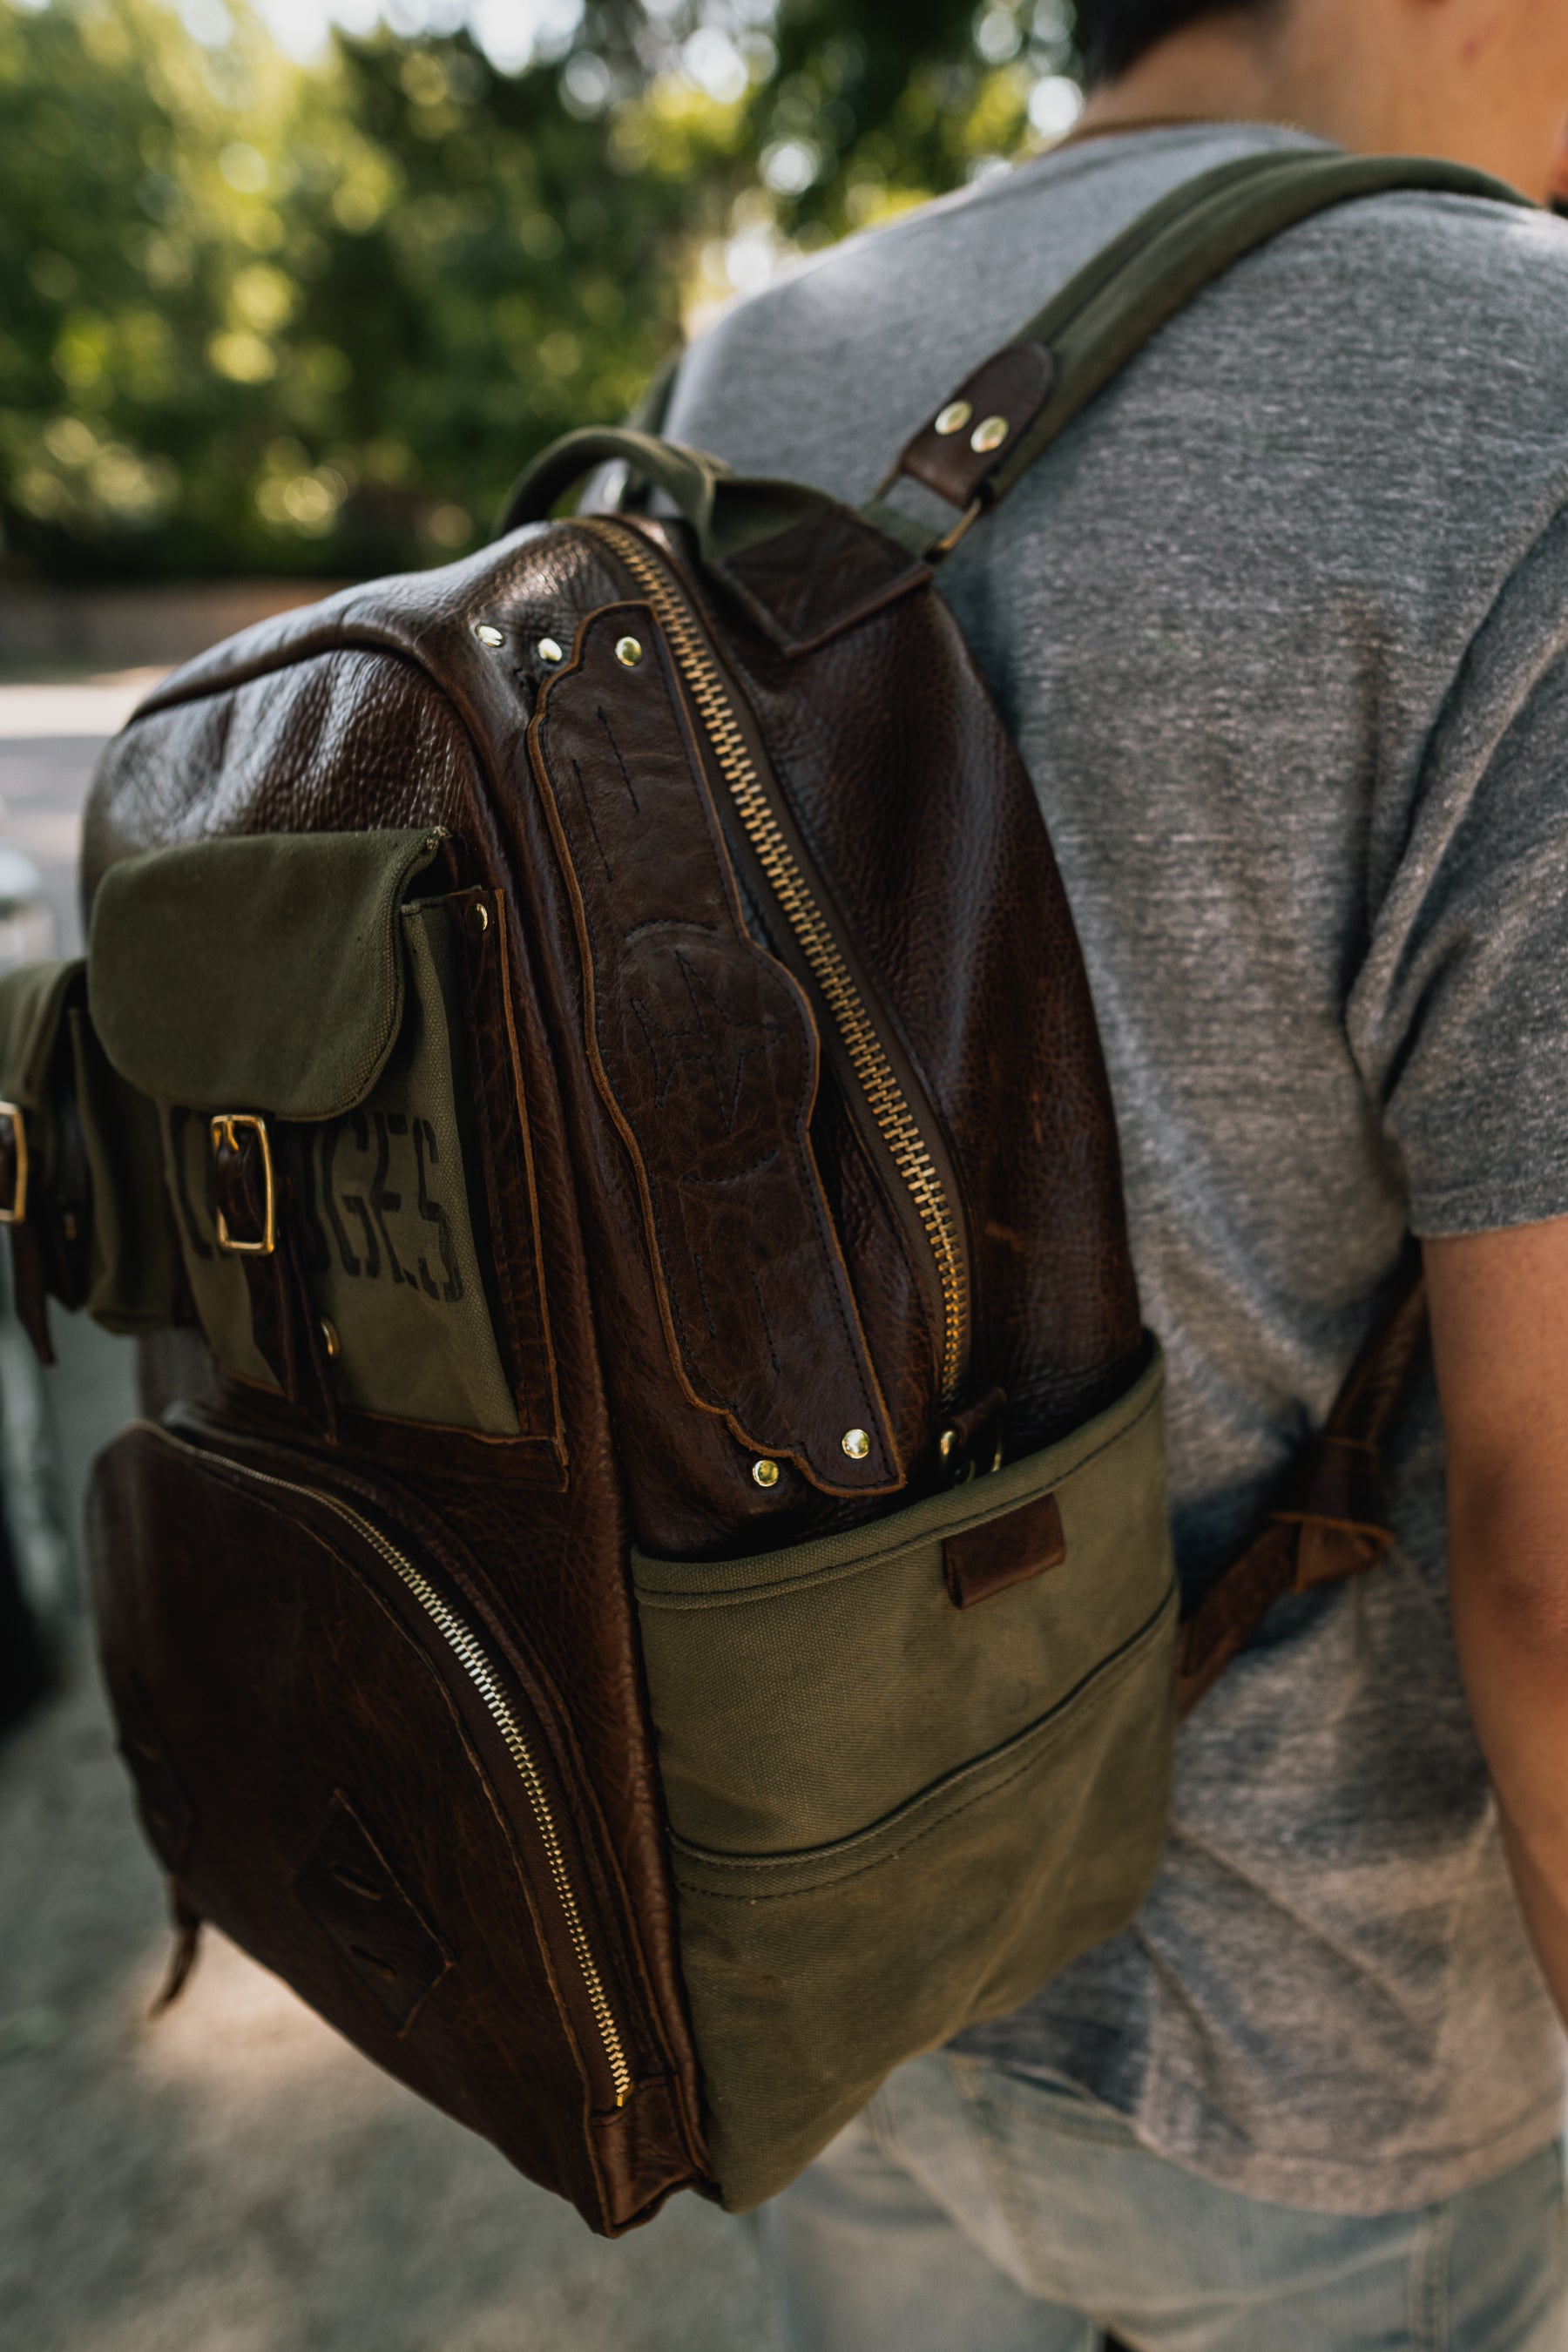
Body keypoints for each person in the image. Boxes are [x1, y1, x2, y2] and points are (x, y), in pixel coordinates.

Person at [660, 2, 1568, 2344]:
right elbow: (1557, 1560)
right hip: (1329, 2058)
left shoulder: (758, 359)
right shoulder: (1525, 391)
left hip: (827, 1933)